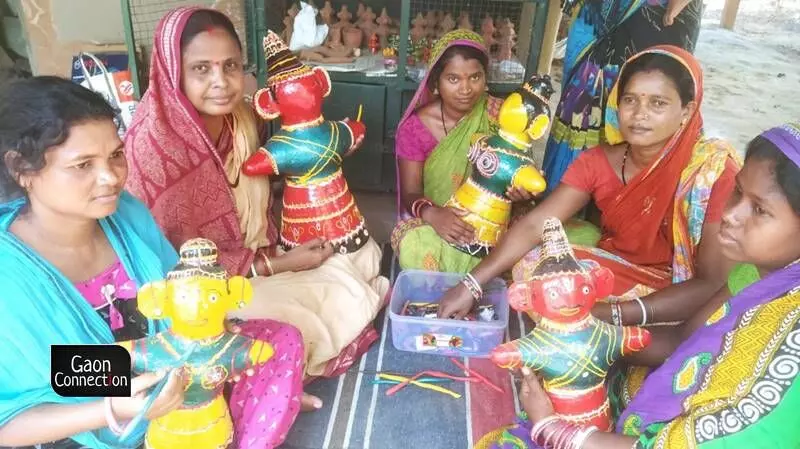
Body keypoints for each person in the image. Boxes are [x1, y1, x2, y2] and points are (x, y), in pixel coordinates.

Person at [0, 77, 304, 449]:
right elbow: (8, 422)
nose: (110, 177)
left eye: (115, 155)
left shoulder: (125, 214)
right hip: (87, 421)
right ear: (21, 169)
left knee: (277, 341)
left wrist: (216, 345)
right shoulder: (9, 275)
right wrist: (116, 407)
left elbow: (182, 301)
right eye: (82, 165)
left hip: (167, 373)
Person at [123, 6, 388, 402]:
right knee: (290, 314)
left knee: (362, 253)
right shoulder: (155, 148)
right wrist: (276, 264)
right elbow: (168, 263)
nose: (221, 82)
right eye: (201, 69)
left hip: (262, 251)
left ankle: (276, 357)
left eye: (231, 66)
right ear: (171, 71)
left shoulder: (242, 117)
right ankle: (263, 368)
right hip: (202, 293)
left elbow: (263, 189)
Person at [500, 122, 800, 449]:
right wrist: (588, 343)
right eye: (739, 192)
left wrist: (554, 430)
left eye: (760, 209)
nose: (731, 214)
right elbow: (685, 340)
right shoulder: (759, 272)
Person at [438, 45, 741, 327]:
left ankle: (601, 332)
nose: (639, 114)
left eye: (658, 103)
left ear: (687, 111)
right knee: (532, 269)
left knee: (560, 304)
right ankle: (591, 330)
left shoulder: (712, 173)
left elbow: (712, 283)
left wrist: (610, 314)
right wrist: (471, 284)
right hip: (619, 274)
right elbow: (536, 225)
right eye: (630, 100)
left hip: (683, 296)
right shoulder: (597, 161)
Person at [390, 29, 535, 273]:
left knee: (548, 243)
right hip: (439, 222)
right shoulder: (415, 128)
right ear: (436, 82)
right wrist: (434, 215)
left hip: (494, 221)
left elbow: (521, 171)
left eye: (475, 77)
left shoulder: (502, 115)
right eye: (453, 79)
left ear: (485, 78)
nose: (466, 89)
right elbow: (411, 192)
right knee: (415, 246)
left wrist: (522, 194)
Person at [542, 0, 703, 191]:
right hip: (600, 25)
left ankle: (633, 197)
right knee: (592, 97)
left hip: (653, 23)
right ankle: (573, 196)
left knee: (653, 94)